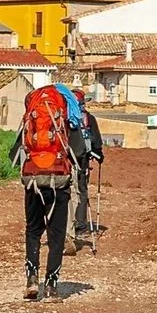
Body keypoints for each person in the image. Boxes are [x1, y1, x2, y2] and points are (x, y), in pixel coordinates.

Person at [14, 82, 77, 300]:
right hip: (59, 178)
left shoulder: (29, 120)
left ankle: (32, 278)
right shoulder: (65, 120)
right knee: (56, 234)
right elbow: (76, 150)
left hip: (32, 177)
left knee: (33, 230)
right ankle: (51, 285)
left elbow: (14, 152)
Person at [69, 87, 106, 251]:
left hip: (66, 159)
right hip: (83, 158)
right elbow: (97, 142)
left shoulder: (64, 118)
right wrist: (98, 155)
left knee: (66, 191)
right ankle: (81, 224)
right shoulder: (88, 118)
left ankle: (65, 223)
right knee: (82, 190)